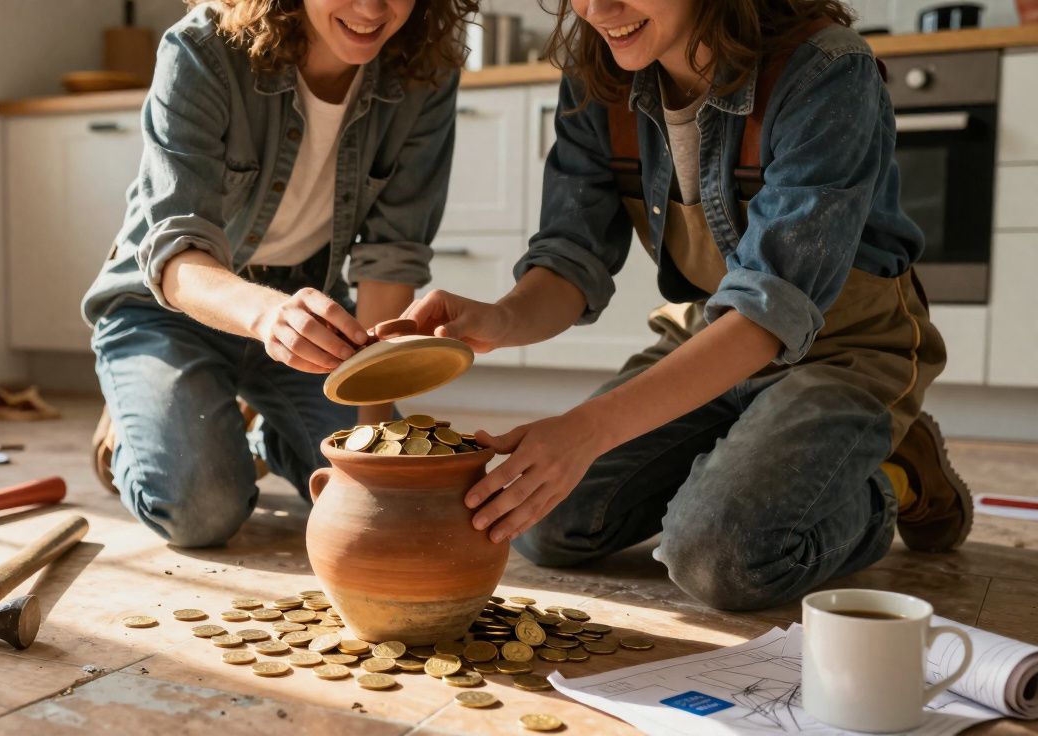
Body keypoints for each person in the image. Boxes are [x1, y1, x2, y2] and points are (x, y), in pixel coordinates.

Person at [404, 0, 971, 611]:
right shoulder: (599, 77)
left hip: (846, 351)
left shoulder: (827, 71)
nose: (599, 10)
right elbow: (572, 254)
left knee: (721, 558)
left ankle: (898, 478)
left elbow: (768, 308)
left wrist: (586, 432)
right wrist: (499, 318)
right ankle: (750, 452)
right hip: (703, 337)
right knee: (547, 522)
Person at [83, 0, 472, 547]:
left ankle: (260, 429)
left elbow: (393, 254)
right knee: (202, 512)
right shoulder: (202, 50)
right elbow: (176, 255)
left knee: (390, 492)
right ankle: (129, 428)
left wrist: (369, 440)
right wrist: (267, 316)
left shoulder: (426, 70)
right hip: (166, 308)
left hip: (308, 307)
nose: (371, 8)